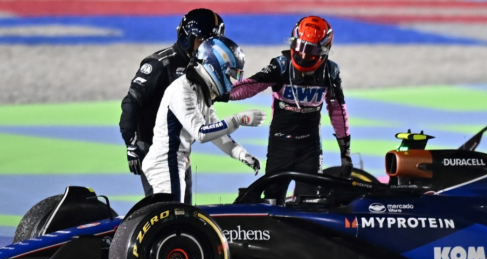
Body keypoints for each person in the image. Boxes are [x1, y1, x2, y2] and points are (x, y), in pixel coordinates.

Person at [219, 15, 352, 202]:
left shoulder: (331, 72)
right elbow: (251, 86)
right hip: (280, 145)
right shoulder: (281, 65)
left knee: (309, 203)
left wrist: (345, 153)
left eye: (311, 50)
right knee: (273, 201)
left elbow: (338, 111)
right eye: (300, 48)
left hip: (310, 148)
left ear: (325, 50)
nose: (304, 55)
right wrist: (219, 94)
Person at [142, 37, 266, 203]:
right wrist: (238, 119)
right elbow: (201, 132)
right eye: (230, 74)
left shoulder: (200, 90)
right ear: (215, 67)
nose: (231, 82)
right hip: (166, 164)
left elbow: (215, 130)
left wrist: (241, 154)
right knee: (171, 222)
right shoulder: (182, 90)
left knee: (180, 221)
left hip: (177, 163)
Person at [119, 8, 226, 197]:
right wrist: (130, 142)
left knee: (184, 212)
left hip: (180, 151)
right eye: (202, 41)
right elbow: (131, 102)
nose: (206, 48)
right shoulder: (159, 64)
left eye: (212, 43)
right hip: (154, 149)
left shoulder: (203, 68)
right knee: (164, 211)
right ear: (187, 37)